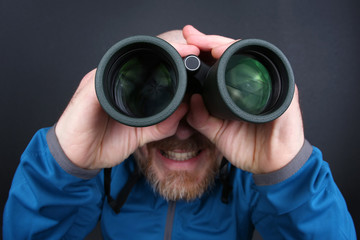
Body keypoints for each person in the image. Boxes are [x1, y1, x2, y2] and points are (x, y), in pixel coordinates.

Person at [3, 25, 356, 239]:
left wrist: (289, 174)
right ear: (123, 105)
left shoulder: (251, 176)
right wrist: (65, 163)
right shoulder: (107, 169)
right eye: (156, 99)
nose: (183, 132)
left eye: (208, 106)